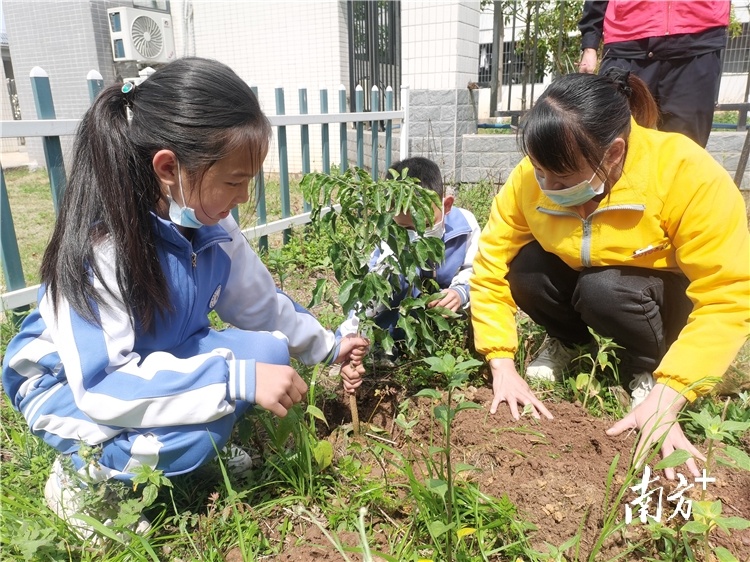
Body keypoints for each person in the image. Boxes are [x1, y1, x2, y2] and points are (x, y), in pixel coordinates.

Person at [1, 57, 368, 536]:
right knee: (203, 427)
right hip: (69, 389)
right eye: (235, 181)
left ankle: (182, 448)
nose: (242, 197)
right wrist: (233, 382)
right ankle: (82, 478)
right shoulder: (104, 247)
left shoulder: (211, 225)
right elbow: (100, 385)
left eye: (249, 182)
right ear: (169, 167)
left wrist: (328, 345)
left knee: (269, 351)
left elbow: (262, 305)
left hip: (147, 361)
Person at [469, 69, 750, 480]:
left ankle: (647, 370)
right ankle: (569, 342)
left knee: (605, 289)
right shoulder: (530, 180)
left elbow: (727, 293)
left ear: (614, 153)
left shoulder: (684, 173)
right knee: (525, 268)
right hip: (590, 288)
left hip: (660, 303)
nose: (544, 185)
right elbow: (491, 263)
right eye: (538, 171)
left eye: (561, 179)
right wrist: (501, 363)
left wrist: (671, 393)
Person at [578, 0, 730, 148]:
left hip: (698, 37)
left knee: (685, 148)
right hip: (627, 38)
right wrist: (590, 44)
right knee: (614, 141)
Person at [363, 157, 481, 348]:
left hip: (448, 308)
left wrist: (460, 292)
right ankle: (387, 343)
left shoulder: (465, 225)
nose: (417, 233)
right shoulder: (391, 234)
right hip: (407, 310)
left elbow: (476, 268)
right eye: (405, 227)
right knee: (394, 277)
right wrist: (354, 332)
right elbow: (374, 286)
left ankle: (459, 342)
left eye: (425, 224)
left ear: (446, 206)